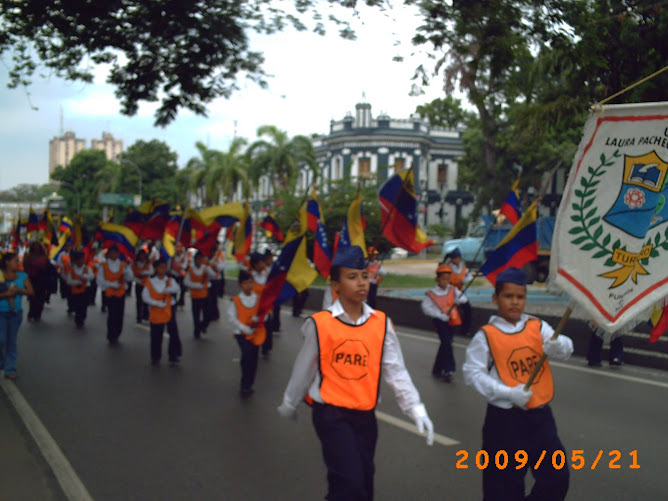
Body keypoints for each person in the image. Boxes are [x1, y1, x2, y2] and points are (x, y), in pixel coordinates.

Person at [277, 245, 434, 500]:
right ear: (336, 286)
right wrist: (289, 402)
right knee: (350, 483)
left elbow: (395, 370)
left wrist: (415, 407)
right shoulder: (320, 324)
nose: (362, 283)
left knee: (362, 483)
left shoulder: (381, 324)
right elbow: (304, 369)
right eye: (352, 277)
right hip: (331, 414)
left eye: (364, 276)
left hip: (365, 416)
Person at [462, 267, 573, 501]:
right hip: (504, 423)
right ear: (496, 298)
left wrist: (558, 345)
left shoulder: (537, 326)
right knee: (503, 489)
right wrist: (507, 393)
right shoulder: (486, 335)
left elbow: (565, 347)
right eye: (508, 296)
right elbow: (472, 374)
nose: (515, 302)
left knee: (556, 478)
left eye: (520, 297)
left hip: (540, 419)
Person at [420, 263, 469, 382]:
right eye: (443, 279)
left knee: (446, 343)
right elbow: (425, 308)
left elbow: (464, 299)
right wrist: (439, 315)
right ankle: (449, 369)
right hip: (439, 321)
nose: (445, 282)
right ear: (437, 279)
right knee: (447, 343)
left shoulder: (453, 289)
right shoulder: (432, 293)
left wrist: (459, 300)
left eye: (448, 279)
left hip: (451, 320)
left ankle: (437, 369)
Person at [227, 270, 266, 397]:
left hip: (256, 333)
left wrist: (259, 319)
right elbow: (231, 317)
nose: (248, 285)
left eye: (251, 282)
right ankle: (244, 385)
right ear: (240, 285)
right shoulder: (236, 300)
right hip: (241, 334)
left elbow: (266, 314)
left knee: (253, 359)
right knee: (248, 356)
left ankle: (249, 383)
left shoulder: (259, 299)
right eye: (245, 283)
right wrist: (243, 327)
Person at [142, 258, 182, 366]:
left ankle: (173, 355)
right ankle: (155, 356)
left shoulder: (170, 280)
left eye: (165, 267)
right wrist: (156, 303)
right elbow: (145, 296)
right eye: (160, 267)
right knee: (156, 334)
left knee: (173, 332)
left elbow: (177, 288)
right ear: (155, 269)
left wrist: (168, 290)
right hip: (156, 310)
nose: (163, 270)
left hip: (169, 309)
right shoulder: (150, 281)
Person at [0, 252, 34, 380]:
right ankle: (2, 362)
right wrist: (6, 295)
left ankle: (10, 368)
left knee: (11, 341)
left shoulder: (22, 276)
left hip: (15, 313)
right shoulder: (0, 276)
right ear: (7, 262)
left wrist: (18, 291)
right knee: (1, 339)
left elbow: (30, 291)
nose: (18, 263)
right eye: (15, 261)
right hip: (1, 312)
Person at [97, 245, 134, 345]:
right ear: (108, 254)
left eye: (116, 252)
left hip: (120, 293)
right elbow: (100, 280)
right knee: (112, 315)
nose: (114, 255)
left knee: (119, 315)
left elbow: (130, 278)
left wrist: (126, 272)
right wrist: (111, 284)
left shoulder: (123, 265)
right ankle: (111, 335)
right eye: (112, 253)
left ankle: (117, 333)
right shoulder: (104, 265)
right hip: (110, 293)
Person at [183, 250, 216, 339]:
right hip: (195, 296)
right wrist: (197, 285)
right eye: (197, 259)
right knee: (196, 315)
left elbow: (214, 276)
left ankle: (203, 326)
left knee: (208, 314)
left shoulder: (205, 268)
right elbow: (186, 282)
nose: (199, 261)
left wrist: (209, 269)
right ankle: (197, 331)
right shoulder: (191, 269)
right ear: (194, 260)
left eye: (200, 259)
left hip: (205, 295)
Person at [445, 248, 474, 335]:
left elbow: (468, 277)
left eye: (456, 258)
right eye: (453, 258)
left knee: (468, 309)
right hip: (449, 293)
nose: (455, 260)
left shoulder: (464, 268)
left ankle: (465, 330)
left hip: (460, 294)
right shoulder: (447, 268)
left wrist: (466, 279)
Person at [66, 250, 95, 329]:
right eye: (78, 260)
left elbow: (92, 276)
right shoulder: (72, 269)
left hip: (85, 290)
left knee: (84, 306)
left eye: (82, 259)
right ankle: (78, 320)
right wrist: (77, 282)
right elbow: (69, 281)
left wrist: (85, 277)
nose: (80, 261)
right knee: (77, 306)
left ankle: (82, 319)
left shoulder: (87, 268)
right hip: (76, 291)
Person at [23, 242, 49, 322]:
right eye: (35, 247)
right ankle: (31, 314)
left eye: (38, 247)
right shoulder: (28, 256)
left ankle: (38, 315)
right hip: (32, 278)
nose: (36, 248)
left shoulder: (44, 256)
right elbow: (25, 266)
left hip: (42, 279)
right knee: (33, 297)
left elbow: (48, 267)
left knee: (41, 297)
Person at [132, 249, 153, 323]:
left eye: (143, 255)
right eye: (141, 255)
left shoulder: (148, 263)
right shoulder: (135, 264)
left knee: (146, 301)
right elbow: (132, 274)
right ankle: (139, 316)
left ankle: (146, 315)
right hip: (138, 283)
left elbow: (151, 271)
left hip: (146, 284)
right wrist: (137, 280)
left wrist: (143, 273)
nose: (142, 257)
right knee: (139, 301)